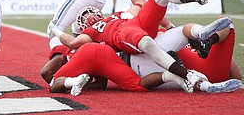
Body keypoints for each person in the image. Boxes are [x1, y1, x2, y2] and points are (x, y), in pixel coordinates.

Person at [48, 0, 215, 89]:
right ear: (81, 27)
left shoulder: (119, 13)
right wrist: (56, 30)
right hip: (125, 35)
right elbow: (73, 43)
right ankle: (186, 75)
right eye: (84, 17)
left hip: (135, 24)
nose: (89, 17)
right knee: (145, 43)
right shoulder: (92, 33)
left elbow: (141, 3)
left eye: (88, 13)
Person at [48, 21, 241, 96]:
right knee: (225, 27)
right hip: (141, 53)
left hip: (139, 61)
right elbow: (236, 74)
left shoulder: (92, 38)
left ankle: (199, 77)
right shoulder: (108, 27)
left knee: (142, 81)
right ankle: (202, 37)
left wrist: (56, 32)